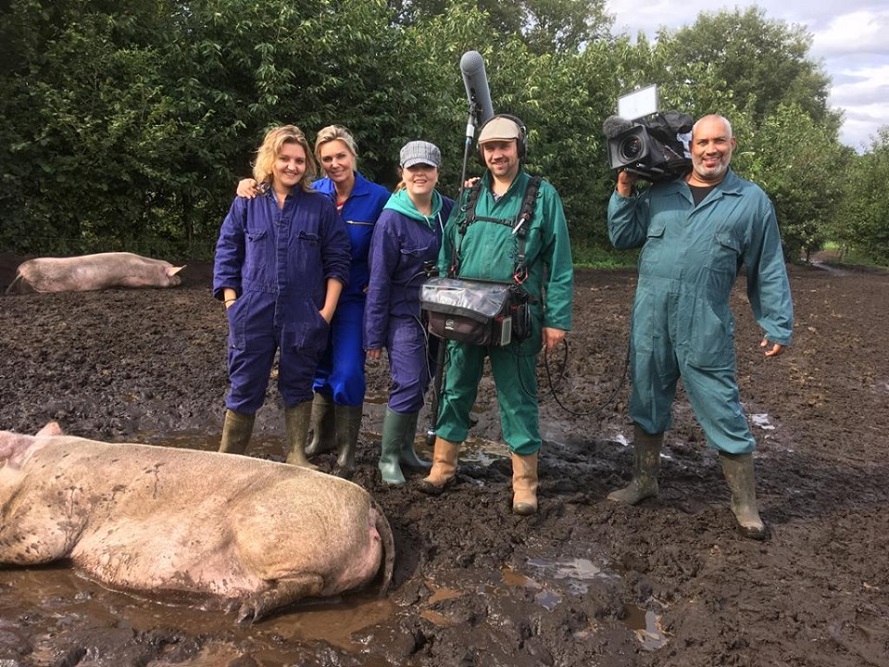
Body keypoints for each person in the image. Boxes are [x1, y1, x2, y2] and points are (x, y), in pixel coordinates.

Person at [606, 114, 793, 540]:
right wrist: (623, 190)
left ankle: (744, 502)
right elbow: (622, 236)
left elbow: (767, 266)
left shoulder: (750, 201)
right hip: (651, 318)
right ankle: (644, 481)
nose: (710, 150)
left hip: (704, 323)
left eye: (719, 142)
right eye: (702, 142)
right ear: (690, 146)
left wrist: (777, 323)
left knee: (721, 407)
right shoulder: (661, 191)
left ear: (732, 144)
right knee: (647, 399)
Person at [417, 115, 575, 516]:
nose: (496, 154)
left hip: (516, 318)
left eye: (504, 146)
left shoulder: (543, 196)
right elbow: (446, 252)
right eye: (489, 148)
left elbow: (559, 264)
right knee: (454, 388)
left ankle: (524, 483)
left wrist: (557, 320)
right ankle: (442, 466)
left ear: (519, 147)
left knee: (518, 397)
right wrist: (440, 299)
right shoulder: (468, 196)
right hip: (464, 313)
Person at [236, 125, 389, 476]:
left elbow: (395, 235)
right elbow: (266, 195)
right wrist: (246, 183)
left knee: (348, 372)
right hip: (305, 297)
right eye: (327, 159)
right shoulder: (312, 193)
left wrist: (378, 285)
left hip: (350, 297)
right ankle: (321, 438)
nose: (335, 164)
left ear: (353, 156)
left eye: (341, 156)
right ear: (318, 164)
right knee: (314, 371)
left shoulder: (377, 197)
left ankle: (347, 451)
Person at [213, 124, 350, 465]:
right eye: (284, 158)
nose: (292, 166)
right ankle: (230, 458)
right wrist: (232, 303)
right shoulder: (247, 202)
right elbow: (227, 252)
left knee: (299, 383)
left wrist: (326, 312)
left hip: (303, 312)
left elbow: (337, 259)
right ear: (270, 160)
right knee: (245, 384)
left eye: (300, 160)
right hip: (252, 310)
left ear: (307, 166)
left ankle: (295, 454)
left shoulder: (319, 207)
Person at [364, 141, 455, 486]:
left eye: (427, 168)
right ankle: (387, 458)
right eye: (413, 168)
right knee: (408, 379)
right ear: (402, 173)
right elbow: (379, 279)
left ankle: (405, 449)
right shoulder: (391, 219)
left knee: (425, 379)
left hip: (440, 310)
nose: (420, 174)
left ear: (437, 173)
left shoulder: (449, 211)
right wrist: (373, 335)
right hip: (402, 314)